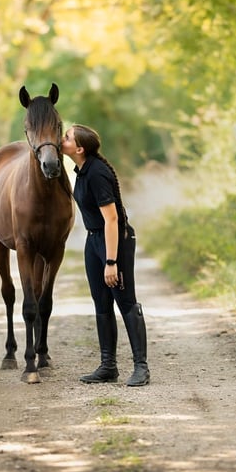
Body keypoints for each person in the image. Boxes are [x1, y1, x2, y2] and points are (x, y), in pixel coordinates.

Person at [61, 123, 150, 386]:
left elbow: (112, 220)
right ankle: (108, 366)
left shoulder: (97, 173)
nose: (61, 139)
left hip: (115, 241)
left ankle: (141, 368)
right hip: (93, 240)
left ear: (79, 148)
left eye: (66, 137)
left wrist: (111, 261)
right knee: (101, 302)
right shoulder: (81, 171)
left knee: (125, 301)